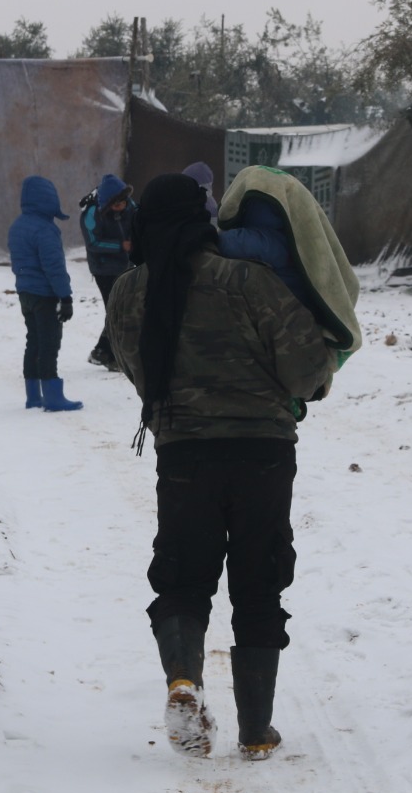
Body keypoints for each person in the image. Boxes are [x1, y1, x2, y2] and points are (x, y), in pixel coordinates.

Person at [106, 173, 335, 761]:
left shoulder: (131, 293)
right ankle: (256, 731)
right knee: (260, 582)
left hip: (182, 453)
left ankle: (183, 678)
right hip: (263, 453)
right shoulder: (249, 281)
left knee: (182, 578)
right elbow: (307, 369)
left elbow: (136, 369)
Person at [8, 175, 82, 412]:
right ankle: (52, 396)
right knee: (49, 343)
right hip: (45, 294)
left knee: (34, 341)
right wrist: (66, 297)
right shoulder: (45, 229)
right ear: (48, 200)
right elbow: (54, 267)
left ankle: (33, 396)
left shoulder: (18, 226)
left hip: (25, 293)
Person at [79, 173, 136, 370]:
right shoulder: (92, 213)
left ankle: (103, 351)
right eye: (116, 204)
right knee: (116, 310)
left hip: (125, 266)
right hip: (104, 269)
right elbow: (93, 242)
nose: (121, 206)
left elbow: (139, 223)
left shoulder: (131, 207)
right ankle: (106, 353)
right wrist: (121, 246)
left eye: (123, 202)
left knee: (123, 309)